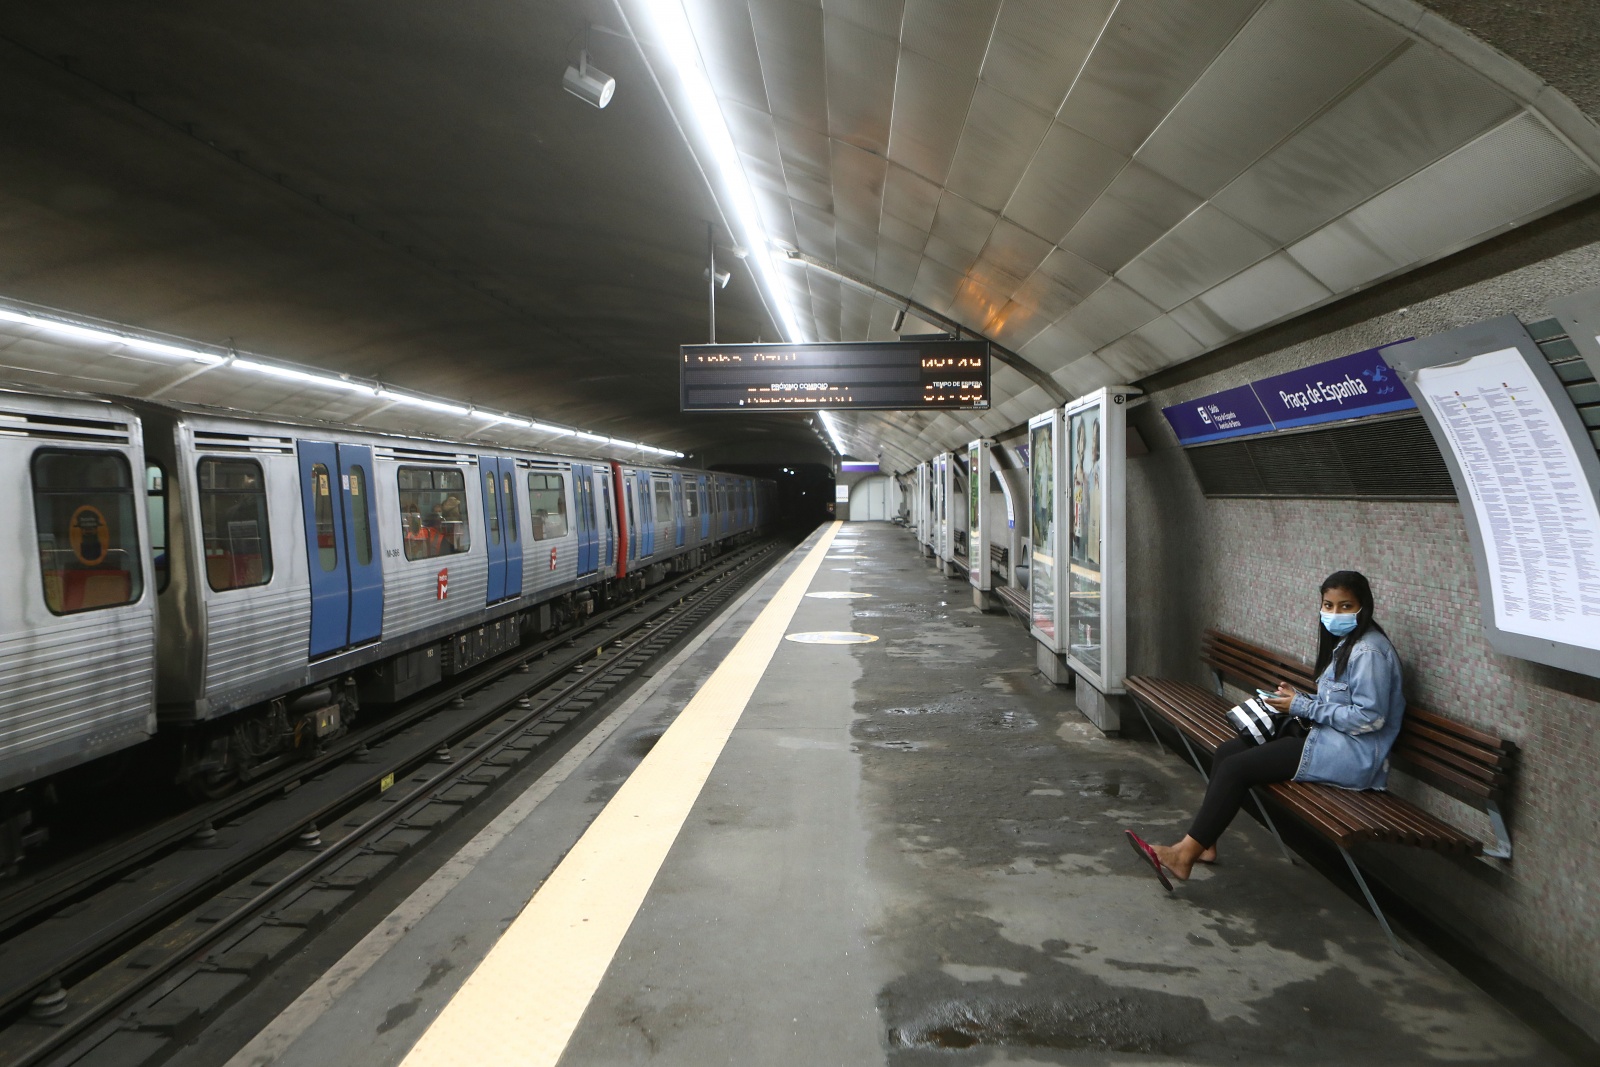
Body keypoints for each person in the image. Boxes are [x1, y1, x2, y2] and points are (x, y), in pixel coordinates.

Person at [1125, 570, 1405, 889]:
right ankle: (1206, 844)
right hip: (1328, 739)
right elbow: (1339, 701)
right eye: (1328, 605)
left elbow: (1370, 718)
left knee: (1236, 768)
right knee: (1228, 751)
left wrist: (1302, 707)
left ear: (1363, 607)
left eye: (1345, 606)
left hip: (1353, 757)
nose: (1334, 613)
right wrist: (1295, 699)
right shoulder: (1348, 644)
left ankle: (1183, 856)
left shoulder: (1369, 651)